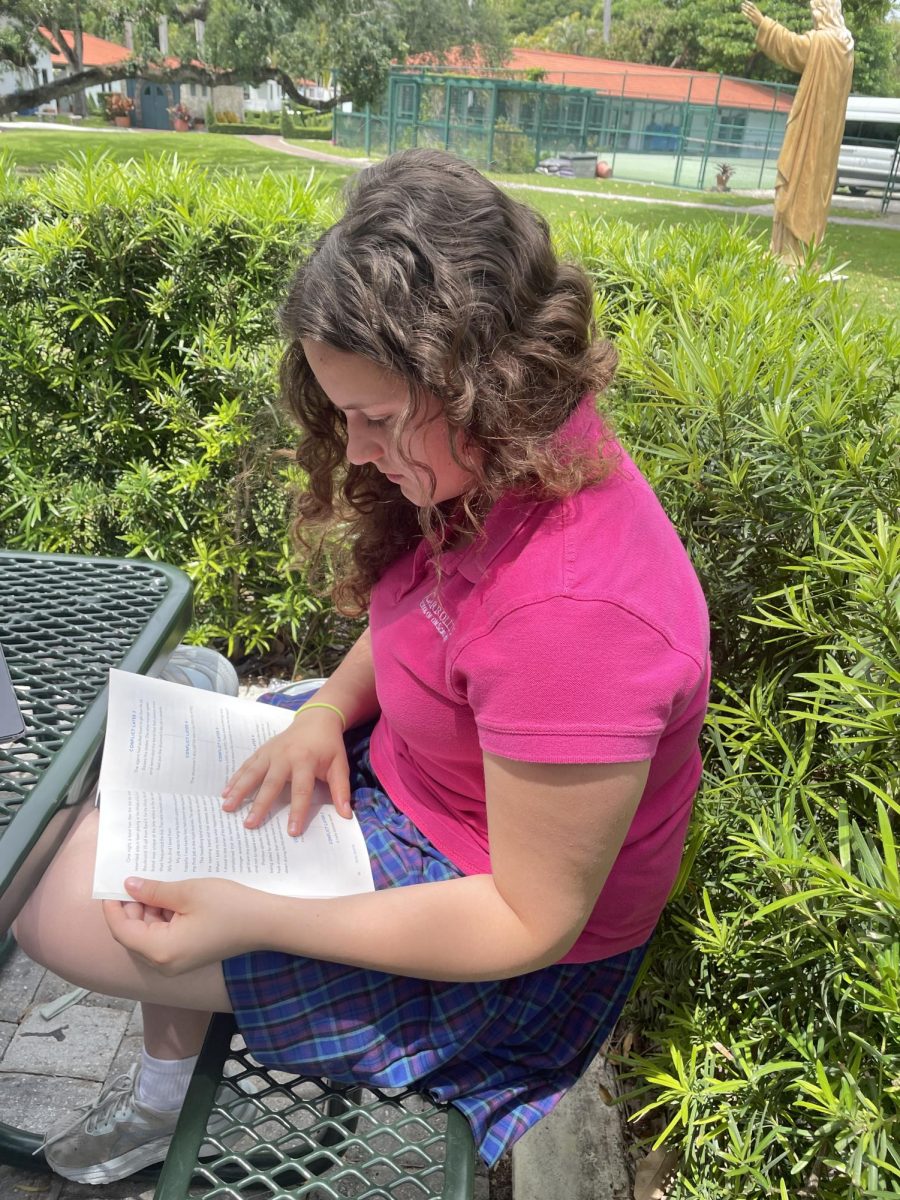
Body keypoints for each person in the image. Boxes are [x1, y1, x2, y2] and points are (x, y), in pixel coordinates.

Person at [14, 148, 710, 1184]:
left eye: (378, 418)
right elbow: (422, 618)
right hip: (407, 789)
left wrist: (256, 916)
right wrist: (324, 711)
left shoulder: (578, 610)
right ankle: (166, 1089)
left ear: (485, 379)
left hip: (489, 946)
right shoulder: (504, 463)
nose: (358, 447)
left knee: (50, 892)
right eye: (345, 411)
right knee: (135, 803)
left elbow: (526, 919)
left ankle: (171, 1082)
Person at [741, 0, 854, 265]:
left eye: (815, 11)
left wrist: (763, 22)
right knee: (812, 187)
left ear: (824, 11)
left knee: (797, 182)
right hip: (827, 132)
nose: (813, 16)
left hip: (810, 127)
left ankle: (791, 255)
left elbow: (793, 47)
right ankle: (791, 251)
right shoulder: (847, 46)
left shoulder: (826, 42)